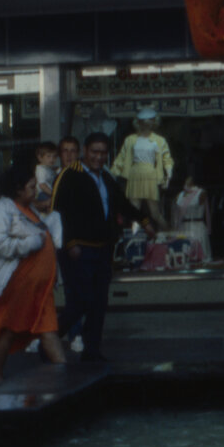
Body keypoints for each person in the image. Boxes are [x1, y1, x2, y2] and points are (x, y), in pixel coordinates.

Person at [0, 157, 66, 386]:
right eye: (32, 187)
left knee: (48, 330)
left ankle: (66, 378)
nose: (35, 191)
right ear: (17, 189)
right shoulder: (2, 212)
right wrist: (29, 244)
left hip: (39, 287)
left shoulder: (27, 207)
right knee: (9, 329)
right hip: (19, 285)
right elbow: (0, 245)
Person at [52, 131, 135, 363]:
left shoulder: (105, 178)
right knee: (82, 300)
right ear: (85, 153)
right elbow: (58, 212)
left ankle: (92, 350)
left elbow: (122, 203)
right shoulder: (70, 175)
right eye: (94, 152)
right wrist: (70, 242)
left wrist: (145, 221)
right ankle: (50, 339)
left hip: (102, 249)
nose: (99, 157)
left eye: (103, 153)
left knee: (99, 301)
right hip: (78, 250)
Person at [48, 134, 85, 351]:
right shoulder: (56, 177)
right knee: (70, 289)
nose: (69, 155)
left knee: (78, 290)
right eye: (65, 151)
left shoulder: (83, 176)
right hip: (62, 242)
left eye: (73, 150)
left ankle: (74, 332)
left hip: (78, 242)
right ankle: (72, 332)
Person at [111, 108, 173, 231]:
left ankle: (168, 233)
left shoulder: (159, 141)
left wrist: (168, 176)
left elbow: (167, 159)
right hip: (135, 174)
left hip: (150, 175)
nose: (146, 124)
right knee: (135, 211)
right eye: (143, 121)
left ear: (153, 122)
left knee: (155, 213)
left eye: (149, 121)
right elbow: (121, 159)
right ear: (138, 122)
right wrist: (111, 175)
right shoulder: (130, 140)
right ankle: (135, 241)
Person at [172, 174, 212, 264]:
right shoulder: (180, 195)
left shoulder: (201, 193)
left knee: (201, 258)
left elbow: (206, 212)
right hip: (183, 227)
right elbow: (175, 213)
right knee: (183, 258)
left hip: (197, 227)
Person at [33, 140, 60, 217]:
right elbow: (42, 185)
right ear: (40, 158)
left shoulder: (48, 168)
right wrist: (53, 194)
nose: (52, 159)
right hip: (42, 193)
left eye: (54, 156)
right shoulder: (41, 169)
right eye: (48, 156)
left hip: (47, 192)